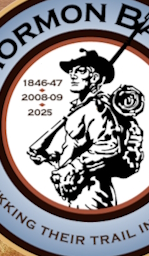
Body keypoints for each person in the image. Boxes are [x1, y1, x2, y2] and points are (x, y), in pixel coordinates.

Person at [27, 49, 143, 209]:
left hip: (91, 193)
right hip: (78, 190)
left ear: (95, 78)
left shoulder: (96, 108)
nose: (73, 75)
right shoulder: (81, 108)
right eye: (71, 71)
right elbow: (79, 149)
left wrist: (72, 168)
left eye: (80, 71)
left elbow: (108, 147)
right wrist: (51, 158)